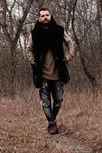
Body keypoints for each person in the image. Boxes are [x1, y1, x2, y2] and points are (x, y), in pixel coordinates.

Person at [26, 7, 74, 135]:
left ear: (50, 16)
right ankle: (52, 124)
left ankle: (51, 120)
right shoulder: (34, 33)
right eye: (42, 15)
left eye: (47, 15)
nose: (45, 17)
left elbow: (70, 43)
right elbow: (29, 49)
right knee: (45, 102)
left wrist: (69, 56)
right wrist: (33, 62)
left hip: (58, 73)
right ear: (39, 18)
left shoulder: (58, 31)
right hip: (42, 75)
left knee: (58, 101)